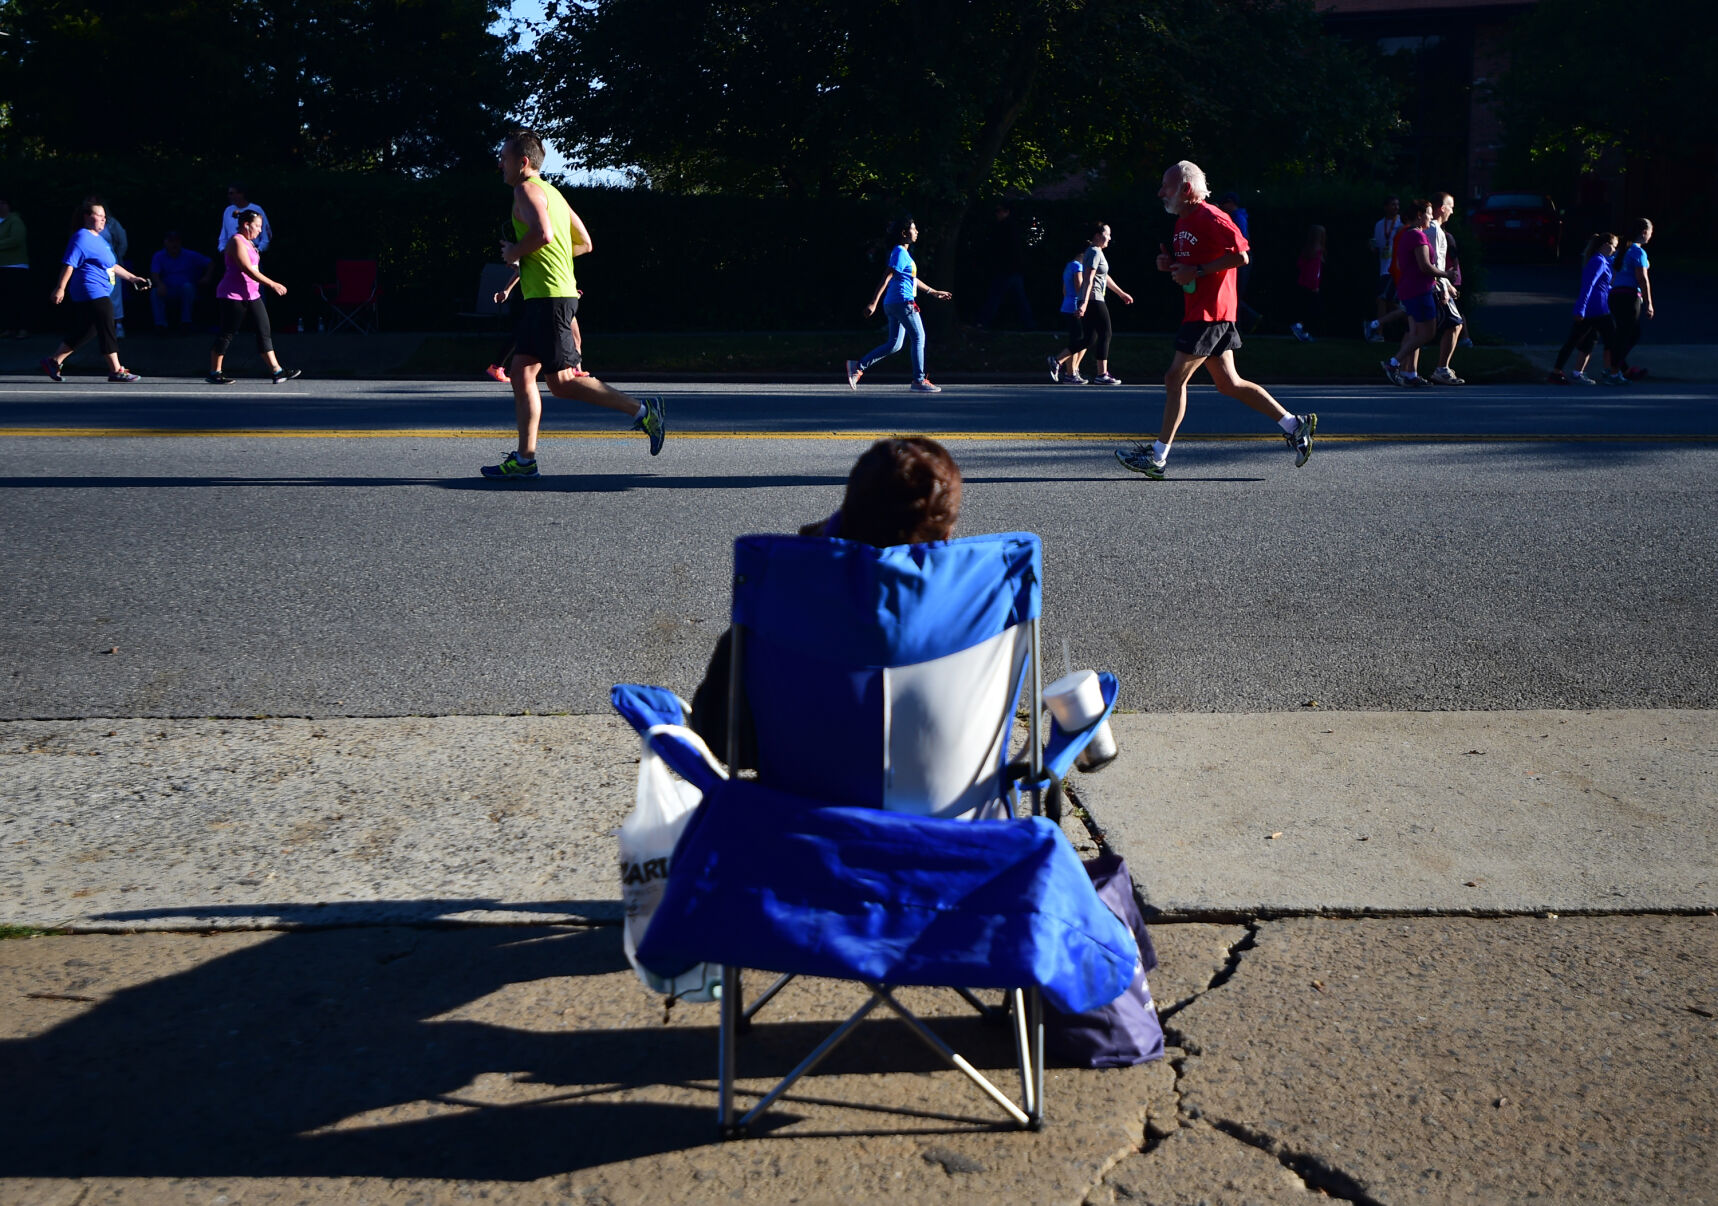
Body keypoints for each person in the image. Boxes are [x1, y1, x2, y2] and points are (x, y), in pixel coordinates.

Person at [689, 436, 964, 766]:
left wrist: (819, 544)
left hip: (802, 810)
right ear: (947, 536)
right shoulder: (977, 610)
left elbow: (721, 735)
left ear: (846, 513)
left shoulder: (781, 597)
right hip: (950, 812)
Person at [1115, 161, 1316, 480]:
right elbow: (1194, 264)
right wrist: (1171, 265)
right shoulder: (1182, 221)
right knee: (1228, 383)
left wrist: (1196, 271)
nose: (1160, 192)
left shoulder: (1212, 216)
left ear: (1186, 188)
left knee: (1173, 379)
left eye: (1166, 186)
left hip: (1211, 314)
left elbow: (1242, 255)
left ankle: (1157, 457)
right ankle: (1294, 425)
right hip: (1205, 311)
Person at [483, 130, 664, 480]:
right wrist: (549, 262)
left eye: (504, 158)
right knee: (521, 374)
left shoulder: (526, 190)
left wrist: (516, 252)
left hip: (550, 297)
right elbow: (584, 242)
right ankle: (524, 461)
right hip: (549, 294)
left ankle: (644, 411)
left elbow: (544, 235)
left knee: (563, 383)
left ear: (523, 163)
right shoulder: (554, 193)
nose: (499, 164)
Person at [40, 200, 151, 383]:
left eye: (104, 216)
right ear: (86, 217)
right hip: (91, 290)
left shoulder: (99, 239)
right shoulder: (81, 237)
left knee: (88, 330)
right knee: (108, 326)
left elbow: (111, 265)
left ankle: (54, 361)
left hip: (100, 290)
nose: (103, 219)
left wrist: (132, 278)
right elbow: (69, 264)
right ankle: (116, 370)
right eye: (99, 215)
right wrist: (60, 288)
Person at [845, 216, 953, 394]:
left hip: (894, 303)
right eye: (914, 228)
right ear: (904, 233)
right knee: (919, 337)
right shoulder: (900, 252)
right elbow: (887, 276)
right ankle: (919, 380)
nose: (917, 231)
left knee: (894, 345)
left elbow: (912, 279)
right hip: (903, 302)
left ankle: (857, 366)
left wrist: (933, 291)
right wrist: (873, 302)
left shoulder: (903, 254)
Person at [206, 209, 299, 385]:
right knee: (227, 333)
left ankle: (277, 371)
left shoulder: (250, 243)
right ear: (246, 225)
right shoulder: (236, 241)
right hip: (232, 295)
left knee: (264, 330)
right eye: (257, 226)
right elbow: (246, 268)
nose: (259, 230)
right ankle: (214, 371)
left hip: (252, 294)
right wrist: (272, 284)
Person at [1378, 200, 1455, 387]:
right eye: (1429, 213)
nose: (1431, 216)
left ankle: (1409, 373)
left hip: (1410, 289)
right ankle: (1393, 363)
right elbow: (1425, 266)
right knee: (1427, 333)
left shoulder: (1407, 234)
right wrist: (1446, 274)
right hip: (1419, 290)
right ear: (1420, 215)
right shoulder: (1417, 236)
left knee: (1416, 333)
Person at [1549, 233, 1618, 386]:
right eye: (1613, 245)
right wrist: (1580, 308)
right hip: (1597, 309)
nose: (1615, 249)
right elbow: (1588, 285)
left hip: (1595, 308)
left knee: (1587, 341)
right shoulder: (1598, 261)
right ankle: (1612, 373)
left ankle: (1571, 372)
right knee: (1612, 339)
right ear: (1605, 245)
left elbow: (1603, 285)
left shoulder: (1602, 261)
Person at [1073, 222, 1134, 385]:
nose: (1110, 238)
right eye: (1108, 234)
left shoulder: (1096, 252)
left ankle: (1057, 361)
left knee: (1089, 339)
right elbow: (1088, 279)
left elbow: (1104, 277)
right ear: (1098, 236)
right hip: (1094, 299)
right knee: (1105, 334)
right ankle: (1102, 374)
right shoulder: (1094, 252)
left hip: (1094, 298)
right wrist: (1084, 303)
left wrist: (1121, 293)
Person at [1423, 192, 1467, 385]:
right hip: (1436, 286)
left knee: (1422, 330)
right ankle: (1441, 369)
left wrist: (1448, 284)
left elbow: (1439, 264)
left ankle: (1406, 367)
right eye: (1451, 206)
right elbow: (1432, 263)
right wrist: (1443, 286)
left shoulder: (1437, 230)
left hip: (1440, 284)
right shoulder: (1434, 231)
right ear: (1442, 208)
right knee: (1455, 324)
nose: (1452, 210)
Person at [975, 201, 1035, 330]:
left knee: (995, 296)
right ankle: (1029, 324)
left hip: (1006, 269)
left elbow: (1003, 250)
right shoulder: (1011, 228)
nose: (997, 214)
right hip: (1013, 269)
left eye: (999, 211)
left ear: (1006, 212)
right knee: (1018, 298)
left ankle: (983, 322)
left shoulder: (1004, 228)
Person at [1608, 218, 1654, 382]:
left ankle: (1615, 368)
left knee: (1624, 333)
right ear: (1644, 232)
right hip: (1629, 296)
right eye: (1650, 232)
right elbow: (1642, 278)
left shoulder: (1622, 250)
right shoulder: (1638, 252)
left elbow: (1612, 275)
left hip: (1615, 295)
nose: (1650, 236)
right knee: (1630, 334)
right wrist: (1649, 303)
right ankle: (1614, 371)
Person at [1215, 191, 1262, 331]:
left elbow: (1239, 240)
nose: (1222, 207)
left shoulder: (1236, 217)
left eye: (1224, 204)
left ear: (1230, 203)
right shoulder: (1239, 216)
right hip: (1240, 258)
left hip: (1240, 259)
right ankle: (1244, 322)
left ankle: (1239, 325)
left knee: (1234, 293)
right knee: (1234, 293)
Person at [84, 195, 129, 338]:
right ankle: (97, 327)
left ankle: (118, 325)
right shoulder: (82, 227)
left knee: (114, 295)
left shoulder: (111, 223)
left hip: (110, 265)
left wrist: (117, 257)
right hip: (91, 267)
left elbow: (122, 241)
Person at [149, 232, 212, 333]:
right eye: (171, 241)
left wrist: (207, 277)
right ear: (165, 242)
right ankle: (160, 325)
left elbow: (209, 263)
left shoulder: (190, 255)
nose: (174, 244)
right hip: (168, 290)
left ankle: (185, 323)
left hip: (186, 289)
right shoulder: (159, 256)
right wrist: (160, 284)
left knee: (187, 288)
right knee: (155, 292)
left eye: (176, 241)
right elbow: (155, 273)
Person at [1362, 195, 1403, 342]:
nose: (1396, 207)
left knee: (1382, 299)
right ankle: (1414, 328)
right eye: (1393, 204)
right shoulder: (1379, 225)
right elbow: (1379, 245)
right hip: (1383, 267)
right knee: (1391, 304)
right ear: (1385, 207)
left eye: (1397, 205)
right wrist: (1372, 247)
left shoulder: (1401, 224)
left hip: (1394, 269)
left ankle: (1378, 332)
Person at [1047, 245, 1090, 383]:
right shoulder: (1078, 266)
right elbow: (1079, 286)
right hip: (1076, 307)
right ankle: (1070, 371)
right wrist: (1084, 302)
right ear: (1083, 254)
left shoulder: (1069, 265)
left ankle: (1072, 372)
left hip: (1067, 305)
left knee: (1079, 340)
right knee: (1080, 341)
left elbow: (1065, 290)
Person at [1289, 225, 1325, 343]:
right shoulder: (1317, 250)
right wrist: (1315, 285)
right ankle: (1303, 330)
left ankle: (1301, 328)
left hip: (1303, 282)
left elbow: (1301, 265)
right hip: (1311, 285)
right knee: (1311, 310)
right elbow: (1315, 271)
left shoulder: (1307, 250)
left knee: (1305, 308)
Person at [217, 183, 272, 254]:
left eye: (232, 193)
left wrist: (258, 250)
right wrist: (222, 249)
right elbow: (224, 234)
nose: (230, 196)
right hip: (231, 252)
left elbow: (266, 235)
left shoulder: (256, 209)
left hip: (253, 251)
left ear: (241, 194)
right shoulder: (228, 211)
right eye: (229, 194)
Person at [0, 197, 28, 338]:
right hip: (3, 265)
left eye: (3, 203)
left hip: (15, 265)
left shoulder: (14, 220)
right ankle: (9, 328)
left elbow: (16, 239)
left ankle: (22, 328)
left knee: (17, 298)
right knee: (5, 299)